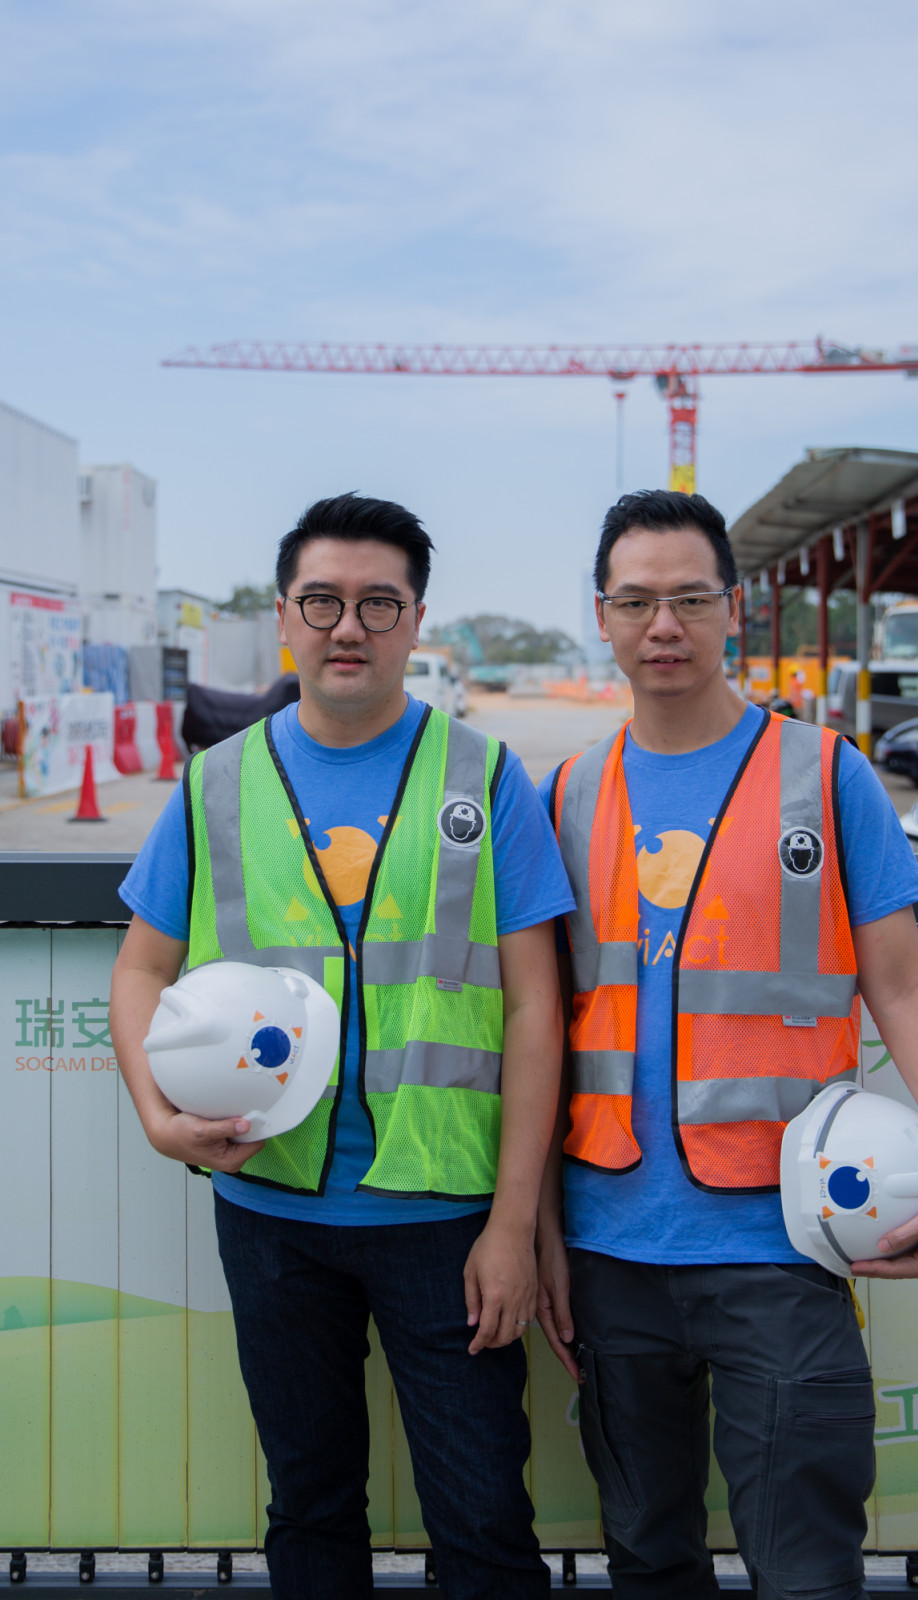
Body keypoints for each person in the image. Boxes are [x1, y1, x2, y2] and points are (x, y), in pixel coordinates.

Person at [535, 490, 918, 1600]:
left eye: (689, 598)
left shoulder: (824, 775)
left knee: (803, 1566)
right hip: (609, 1254)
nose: (663, 625)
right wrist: (537, 1227)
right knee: (647, 1558)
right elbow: (539, 1021)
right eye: (636, 601)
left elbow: (899, 980)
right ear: (600, 616)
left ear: (731, 608)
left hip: (781, 1248)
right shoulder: (563, 791)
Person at [111, 493, 575, 1600]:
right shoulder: (215, 783)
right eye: (322, 600)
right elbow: (138, 968)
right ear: (284, 616)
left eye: (378, 602)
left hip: (444, 1218)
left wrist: (513, 1225)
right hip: (271, 1209)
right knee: (308, 1508)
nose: (348, 626)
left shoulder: (484, 776)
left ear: (416, 621)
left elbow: (533, 1008)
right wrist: (153, 1110)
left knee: (483, 1518)